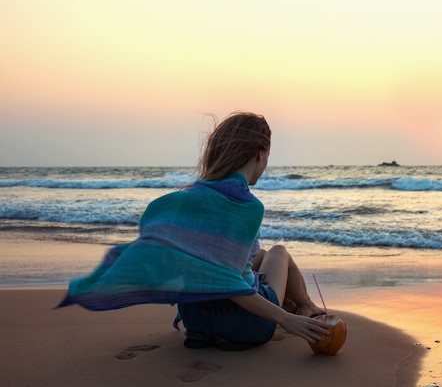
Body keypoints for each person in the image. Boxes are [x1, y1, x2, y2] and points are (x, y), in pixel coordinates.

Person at [58, 112, 328, 351]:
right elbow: (229, 283)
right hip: (248, 325)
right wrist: (284, 318)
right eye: (267, 156)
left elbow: (194, 267)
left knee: (257, 255)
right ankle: (305, 307)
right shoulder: (247, 205)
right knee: (279, 253)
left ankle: (288, 308)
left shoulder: (187, 200)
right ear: (260, 154)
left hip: (195, 319)